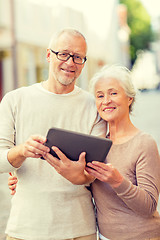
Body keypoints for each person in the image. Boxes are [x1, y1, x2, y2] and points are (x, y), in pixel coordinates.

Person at [0, 28, 107, 240]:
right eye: (64, 54)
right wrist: (21, 151)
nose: (70, 63)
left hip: (78, 229)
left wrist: (80, 175)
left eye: (78, 57)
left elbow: (96, 174)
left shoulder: (94, 106)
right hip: (25, 228)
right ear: (49, 55)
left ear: (84, 63)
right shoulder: (14, 100)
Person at [33, 64, 160, 240]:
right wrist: (22, 180)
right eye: (100, 95)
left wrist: (118, 182)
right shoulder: (94, 145)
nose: (106, 100)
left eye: (113, 93)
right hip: (104, 236)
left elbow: (149, 206)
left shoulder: (144, 143)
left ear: (129, 98)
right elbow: (79, 183)